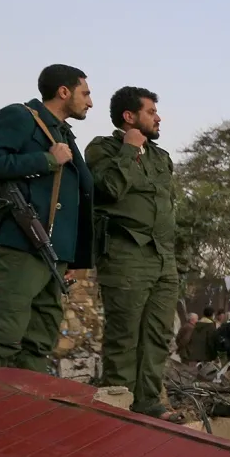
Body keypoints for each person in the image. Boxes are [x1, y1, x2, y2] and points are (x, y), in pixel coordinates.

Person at [0, 64, 94, 371]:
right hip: (23, 241)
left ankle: (24, 404)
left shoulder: (63, 133)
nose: (90, 102)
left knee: (41, 335)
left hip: (55, 252)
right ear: (64, 92)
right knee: (3, 325)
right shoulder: (21, 116)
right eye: (85, 93)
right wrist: (47, 159)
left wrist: (72, 258)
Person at [85, 86, 179, 418]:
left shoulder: (161, 157)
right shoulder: (103, 148)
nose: (158, 117)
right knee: (124, 337)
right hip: (126, 255)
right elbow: (108, 188)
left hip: (163, 259)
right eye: (151, 112)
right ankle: (118, 408)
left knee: (157, 336)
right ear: (130, 116)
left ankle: (149, 404)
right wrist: (128, 151)